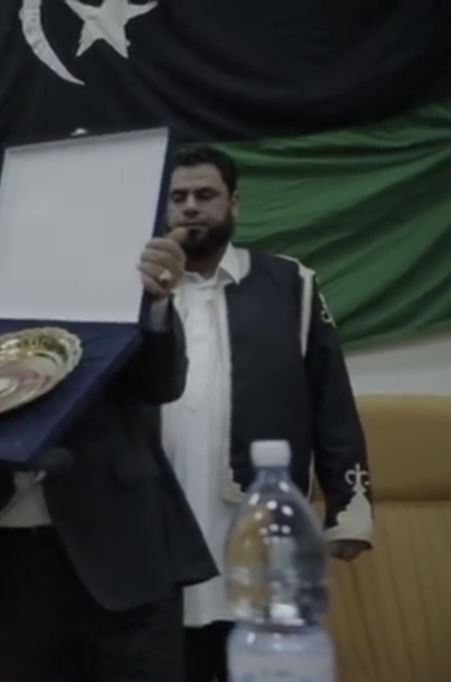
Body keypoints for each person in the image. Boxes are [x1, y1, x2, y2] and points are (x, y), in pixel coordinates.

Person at [0, 180, 218, 682]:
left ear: (13, 230)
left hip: (121, 568)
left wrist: (156, 303)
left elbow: (160, 383)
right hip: (10, 582)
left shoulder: (96, 301)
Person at [161, 145, 372, 682]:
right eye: (178, 197)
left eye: (205, 195)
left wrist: (348, 506)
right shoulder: (141, 293)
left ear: (234, 202)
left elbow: (330, 396)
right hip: (158, 522)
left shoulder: (289, 284)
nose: (190, 207)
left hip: (254, 521)